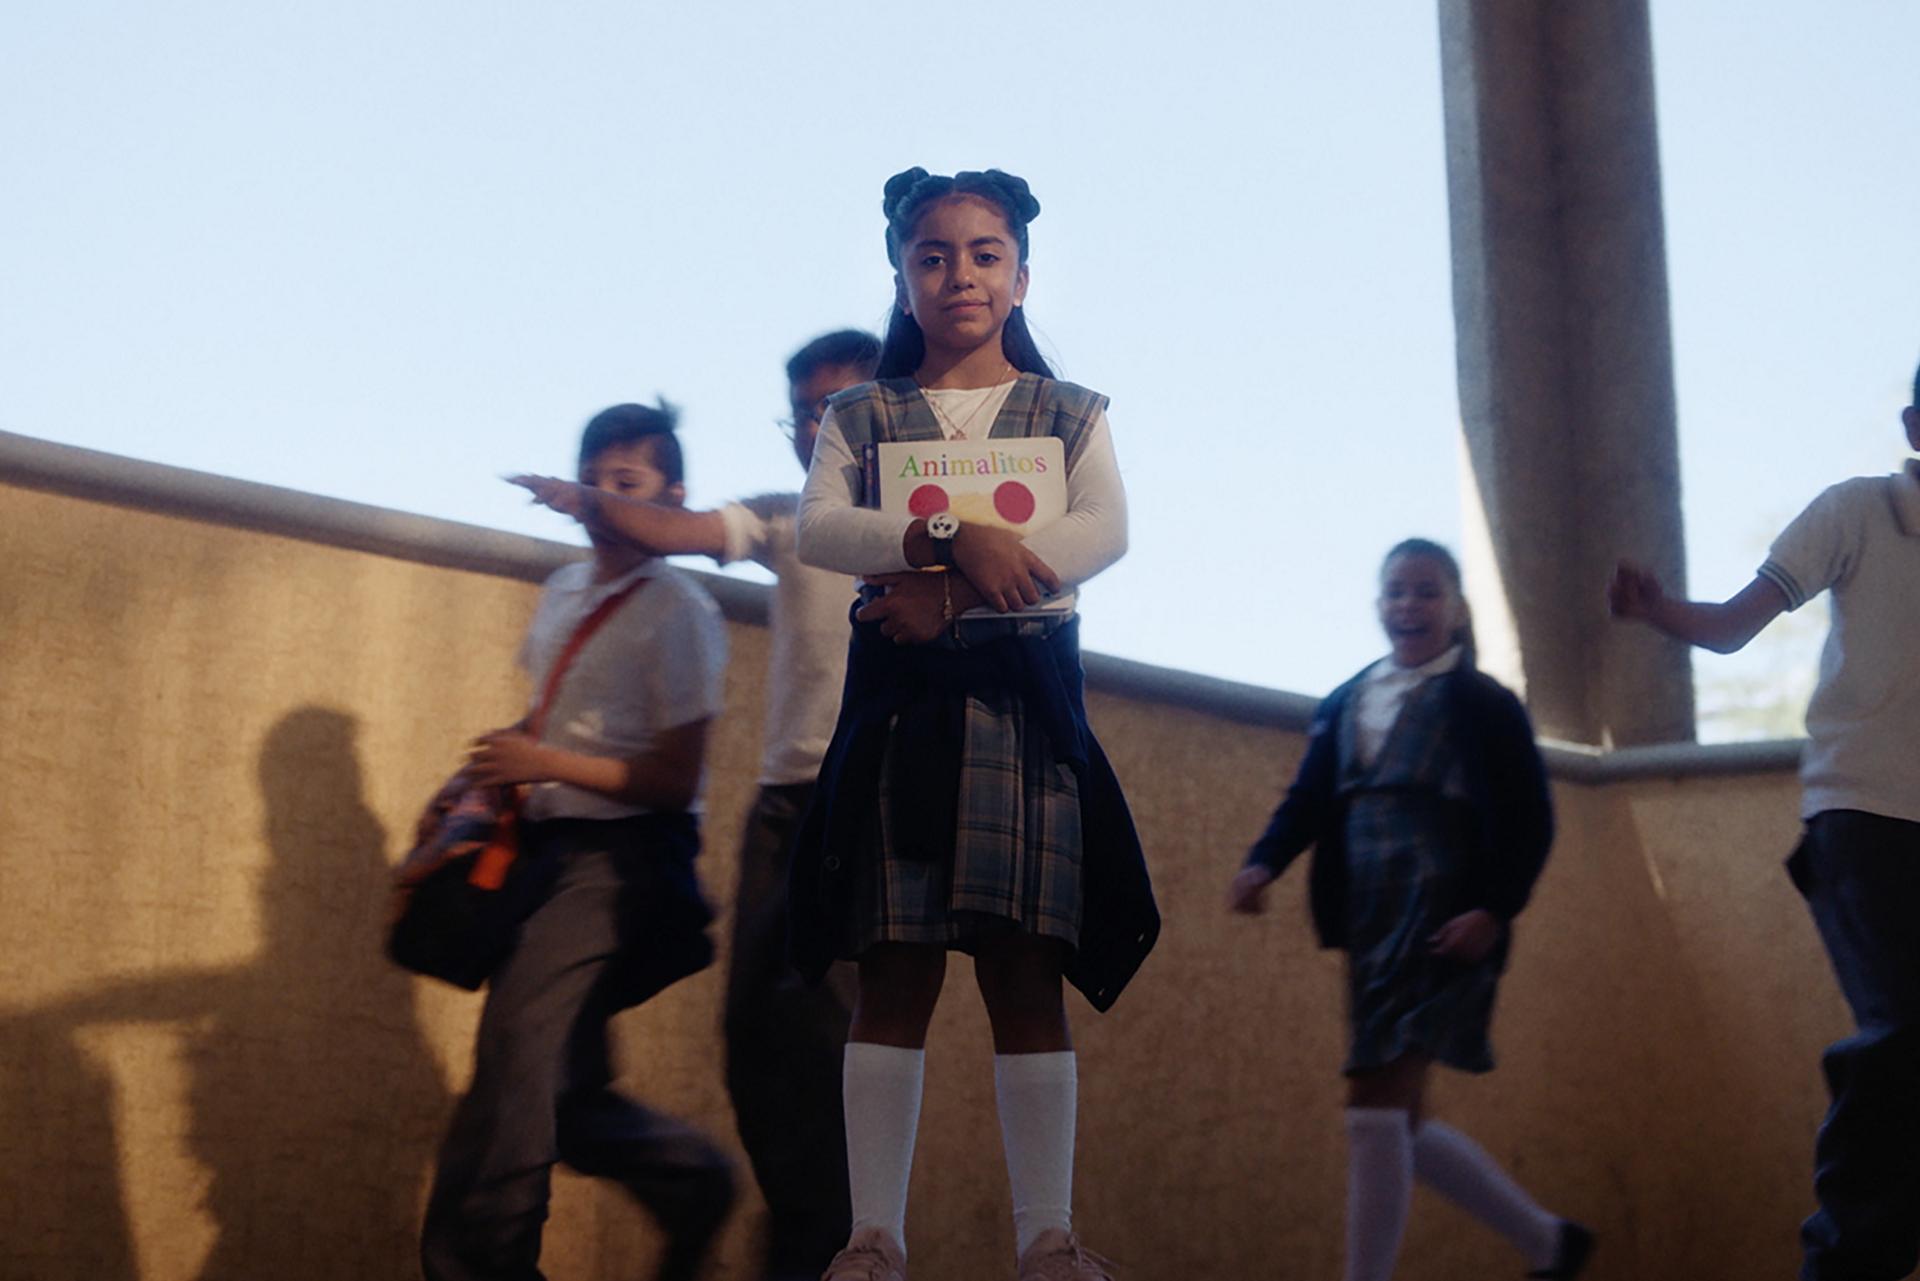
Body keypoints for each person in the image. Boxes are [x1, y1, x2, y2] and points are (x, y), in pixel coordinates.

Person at [788, 167, 1158, 1281]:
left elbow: (1104, 536)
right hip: (902, 721)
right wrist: (951, 530)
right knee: (894, 967)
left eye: (986, 254)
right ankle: (873, 1236)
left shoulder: (1073, 414)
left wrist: (950, 592)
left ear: (1022, 275)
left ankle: (1048, 1236)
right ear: (901, 277)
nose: (961, 275)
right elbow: (822, 530)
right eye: (934, 255)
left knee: (1023, 968)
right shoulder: (860, 416)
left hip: (1025, 716)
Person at [511, 330, 881, 1281]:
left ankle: (837, 1252)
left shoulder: (926, 520)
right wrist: (588, 497)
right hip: (780, 809)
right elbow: (681, 533)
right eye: (801, 410)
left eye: (839, 404)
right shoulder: (787, 519)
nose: (816, 426)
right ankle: (796, 1238)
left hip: (872, 810)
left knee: (830, 1045)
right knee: (752, 1041)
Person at [1608, 362, 1920, 1281]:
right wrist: (1658, 606)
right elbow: (1738, 623)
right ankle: (1844, 1259)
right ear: (1912, 423)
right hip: (1860, 812)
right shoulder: (1857, 511)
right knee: (1902, 1031)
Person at [422, 402, 736, 1281]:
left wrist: (543, 755)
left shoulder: (680, 611)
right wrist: (508, 759)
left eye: (625, 486)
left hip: (621, 864)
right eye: (591, 482)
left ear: (672, 497)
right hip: (546, 851)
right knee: (562, 1088)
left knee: (515, 1065)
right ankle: (693, 1181)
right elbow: (565, 718)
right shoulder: (564, 591)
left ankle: (481, 1266)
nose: (602, 501)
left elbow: (676, 779)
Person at [1229, 539, 1592, 1281]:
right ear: (1377, 606)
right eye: (1395, 592)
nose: (1408, 606)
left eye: (1426, 591)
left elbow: (1530, 817)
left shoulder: (1485, 705)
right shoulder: (1346, 700)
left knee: (1372, 1101)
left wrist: (1493, 908)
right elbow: (1308, 800)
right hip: (1369, 916)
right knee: (1401, 1118)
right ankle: (1551, 1243)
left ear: (1456, 607)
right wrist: (1264, 860)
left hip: (1442, 916)